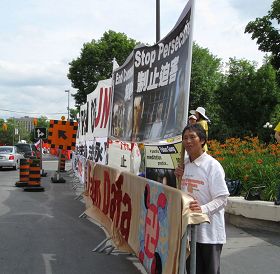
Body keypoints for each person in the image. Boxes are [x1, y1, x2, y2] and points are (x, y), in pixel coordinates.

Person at [174, 124, 229, 274]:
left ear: (202, 140)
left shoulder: (212, 166)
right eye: (185, 138)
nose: (188, 141)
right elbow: (181, 193)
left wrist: (203, 209)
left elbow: (222, 198)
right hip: (189, 233)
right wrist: (177, 177)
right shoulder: (183, 165)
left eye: (193, 137)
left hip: (209, 234)